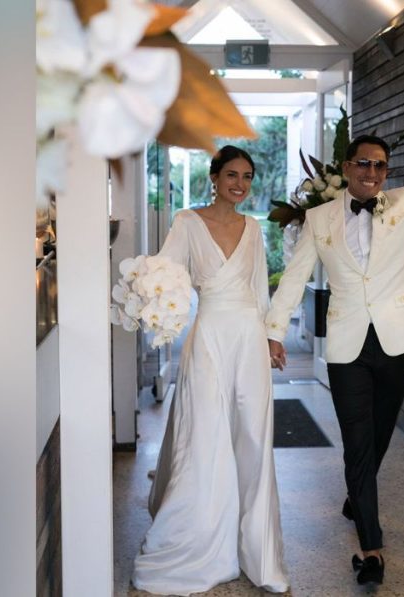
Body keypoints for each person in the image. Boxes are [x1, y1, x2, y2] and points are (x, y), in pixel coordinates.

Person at [266, 134, 404, 586]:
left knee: (380, 433)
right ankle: (372, 548)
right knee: (358, 441)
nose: (372, 172)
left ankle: (355, 496)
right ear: (347, 168)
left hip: (397, 340)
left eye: (380, 166)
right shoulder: (320, 217)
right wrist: (274, 331)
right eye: (364, 163)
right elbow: (296, 275)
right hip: (347, 344)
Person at [132, 146, 289, 596]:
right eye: (232, 175)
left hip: (248, 337)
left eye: (248, 177)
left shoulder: (253, 228)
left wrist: (271, 336)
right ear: (214, 178)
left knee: (255, 439)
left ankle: (259, 555)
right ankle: (198, 544)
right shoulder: (186, 222)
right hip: (209, 339)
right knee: (206, 436)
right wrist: (155, 309)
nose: (240, 184)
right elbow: (165, 277)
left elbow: (259, 289)